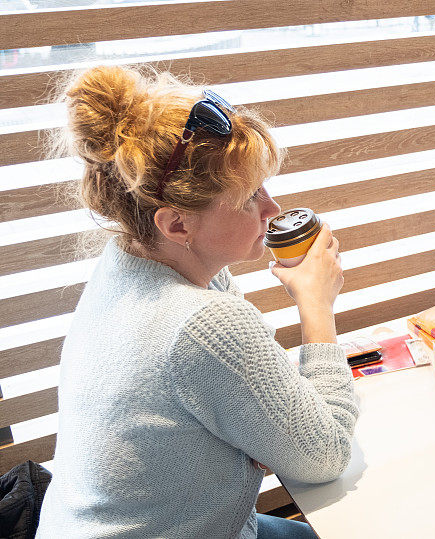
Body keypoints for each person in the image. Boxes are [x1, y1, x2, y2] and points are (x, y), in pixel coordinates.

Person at [36, 65, 358, 538]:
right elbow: (325, 456)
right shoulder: (199, 323)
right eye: (250, 197)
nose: (273, 209)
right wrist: (316, 306)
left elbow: (242, 383)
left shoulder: (130, 259)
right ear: (177, 225)